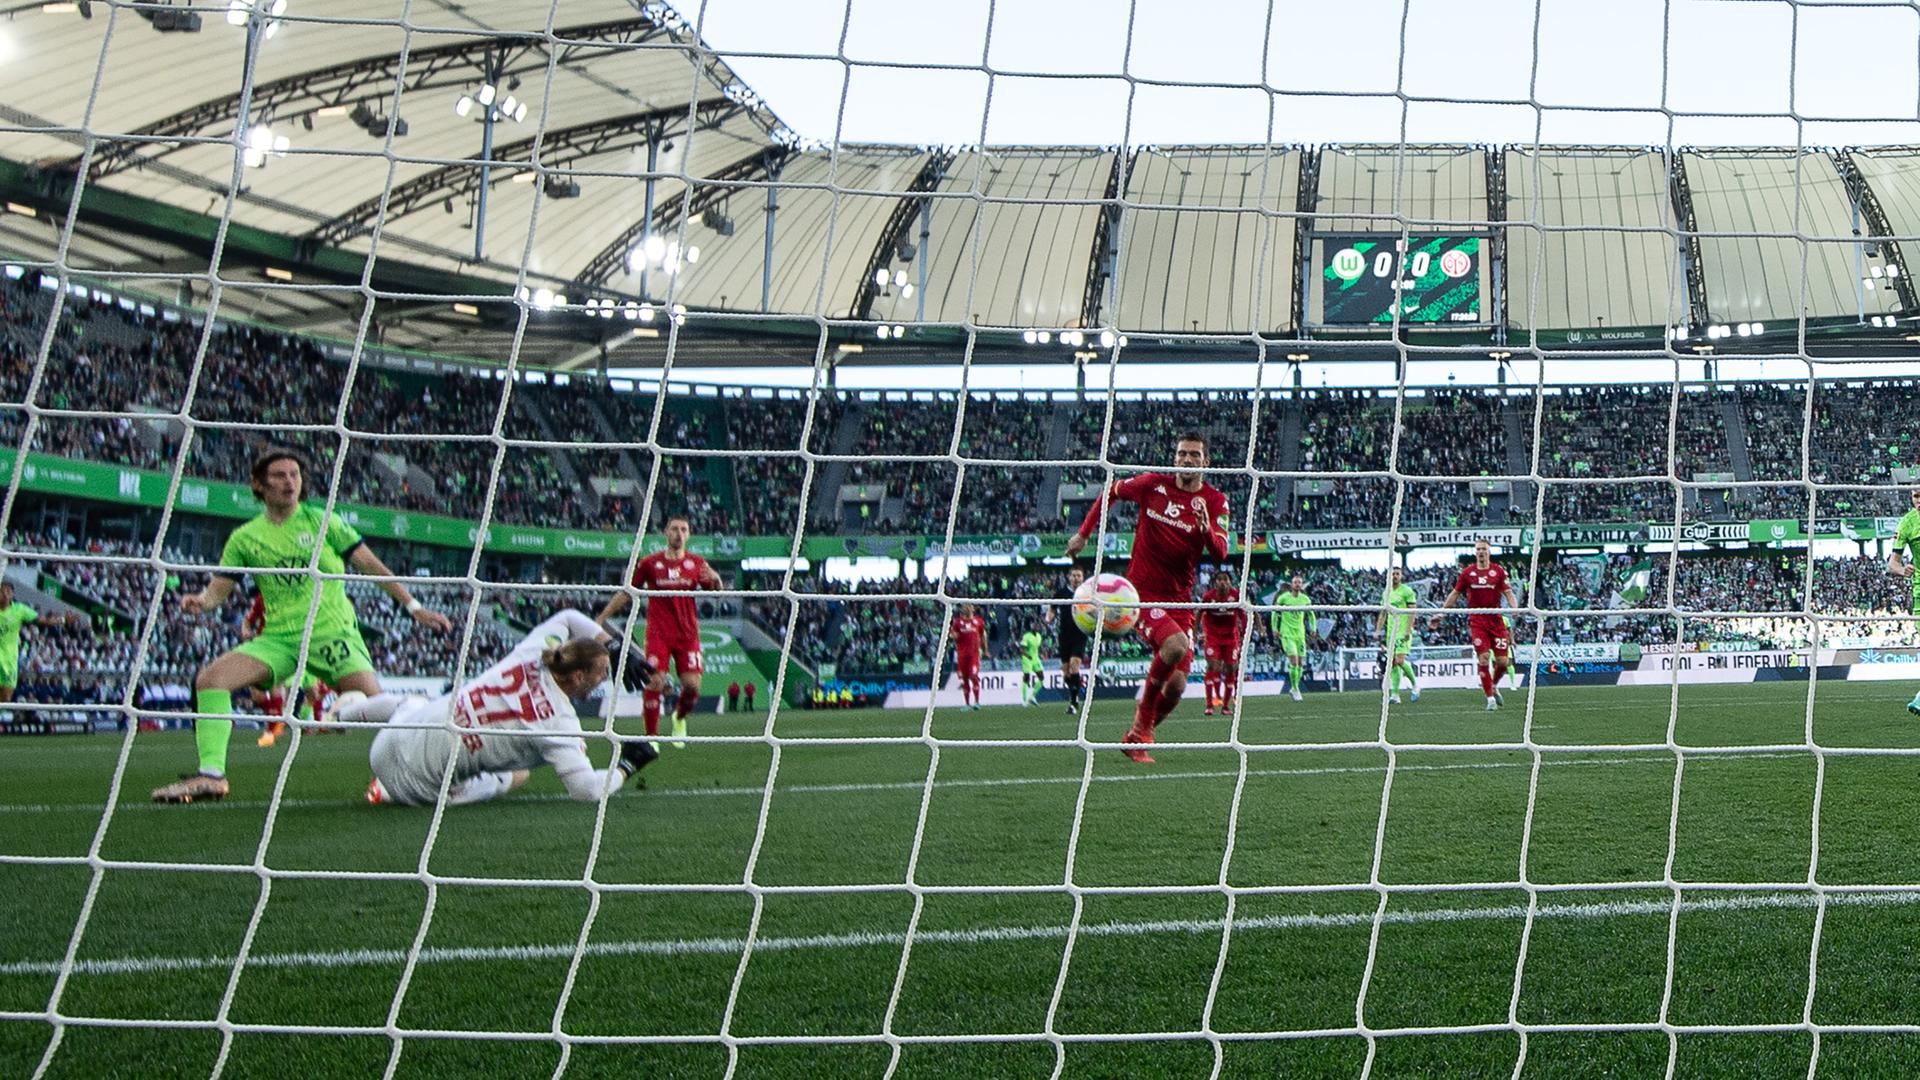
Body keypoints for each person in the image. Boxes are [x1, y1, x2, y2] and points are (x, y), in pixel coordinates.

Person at [154, 448, 451, 804]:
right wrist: (201, 602)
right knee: (211, 680)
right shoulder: (246, 537)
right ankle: (212, 776)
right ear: (259, 485)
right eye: (279, 475)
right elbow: (219, 591)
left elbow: (372, 565)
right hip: (280, 638)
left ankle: (434, 771)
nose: (289, 481)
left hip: (332, 632)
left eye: (294, 474)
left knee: (383, 709)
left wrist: (414, 607)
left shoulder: (322, 521)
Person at [356, 609, 661, 807]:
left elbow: (568, 617)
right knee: (518, 775)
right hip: (415, 789)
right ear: (579, 676)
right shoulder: (559, 725)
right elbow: (587, 790)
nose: (603, 681)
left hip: (383, 744)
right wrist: (627, 765)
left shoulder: (533, 653)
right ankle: (383, 790)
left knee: (412, 704)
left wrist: (614, 646)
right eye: (602, 675)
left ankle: (341, 715)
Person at [1064, 432, 1229, 763]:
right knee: (1176, 647)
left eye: (1195, 455)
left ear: (1206, 462)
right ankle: (1141, 727)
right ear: (1175, 458)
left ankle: (1135, 737)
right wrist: (1083, 534)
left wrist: (1205, 530)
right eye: (1182, 454)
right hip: (1139, 594)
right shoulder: (1153, 484)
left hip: (1180, 599)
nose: (1187, 460)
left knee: (1179, 686)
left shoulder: (1215, 501)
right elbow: (1110, 492)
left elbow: (1221, 553)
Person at [597, 515, 720, 749]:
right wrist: (602, 617)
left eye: (684, 529)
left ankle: (679, 718)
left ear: (689, 534)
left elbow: (715, 589)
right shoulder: (650, 563)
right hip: (658, 635)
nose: (679, 534)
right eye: (674, 529)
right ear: (666, 532)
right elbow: (627, 592)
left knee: (693, 687)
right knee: (654, 682)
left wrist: (717, 581)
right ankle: (651, 737)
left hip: (688, 635)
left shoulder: (697, 563)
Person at [1434, 538, 1518, 711]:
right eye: (1478, 549)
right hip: (1478, 621)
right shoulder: (1467, 573)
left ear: (1489, 552)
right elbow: (1455, 594)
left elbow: (1508, 592)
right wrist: (1441, 613)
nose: (1481, 552)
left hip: (1496, 621)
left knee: (1503, 662)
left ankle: (1493, 685)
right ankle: (1489, 698)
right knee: (1484, 658)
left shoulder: (1498, 571)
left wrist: (1515, 607)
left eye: (1484, 549)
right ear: (1475, 552)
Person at [1887, 489, 1920, 715]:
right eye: (1916, 496)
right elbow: (1893, 564)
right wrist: (1902, 570)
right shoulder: (1907, 522)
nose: (1919, 500)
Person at [1198, 570, 1247, 717]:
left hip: (1230, 638)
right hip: (1213, 637)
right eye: (1219, 580)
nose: (1222, 582)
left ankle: (1226, 706)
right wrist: (1195, 632)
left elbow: (1244, 614)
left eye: (1225, 579)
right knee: (1213, 665)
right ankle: (1210, 704)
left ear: (1230, 582)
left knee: (1231, 669)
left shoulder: (1236, 596)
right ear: (1215, 582)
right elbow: (1200, 612)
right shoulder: (1209, 597)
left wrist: (1245, 630)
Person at [1379, 567, 1422, 705]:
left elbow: (1412, 612)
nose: (1395, 576)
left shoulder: (1407, 591)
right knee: (1393, 663)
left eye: (1397, 574)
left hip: (1402, 631)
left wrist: (1408, 630)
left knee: (1398, 660)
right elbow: (1383, 613)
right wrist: (1378, 630)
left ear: (1401, 576)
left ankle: (1415, 685)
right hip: (1390, 633)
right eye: (1392, 574)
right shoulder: (1386, 593)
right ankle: (1395, 695)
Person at [1271, 574, 1313, 703]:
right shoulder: (1284, 598)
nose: (1297, 584)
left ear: (1302, 585)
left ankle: (1295, 688)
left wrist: (1313, 628)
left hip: (1300, 634)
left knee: (1300, 663)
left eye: (1299, 582)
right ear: (1291, 584)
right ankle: (1295, 688)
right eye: (1295, 582)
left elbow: (1311, 614)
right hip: (1287, 634)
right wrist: (1275, 628)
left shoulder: (1305, 599)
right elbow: (1274, 613)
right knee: (1294, 661)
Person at [1056, 566, 1090, 713]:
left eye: (1079, 576)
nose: (1076, 578)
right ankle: (1073, 695)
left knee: (1074, 665)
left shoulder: (1088, 593)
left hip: (1080, 634)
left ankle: (1074, 702)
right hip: (1064, 635)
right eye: (1074, 576)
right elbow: (1052, 608)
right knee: (1066, 672)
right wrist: (1048, 617)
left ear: (1082, 578)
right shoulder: (1061, 593)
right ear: (1068, 577)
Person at [949, 602, 986, 709]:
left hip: (974, 655)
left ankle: (977, 702)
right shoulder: (957, 622)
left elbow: (983, 635)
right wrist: (953, 636)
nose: (967, 608)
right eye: (965, 607)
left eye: (969, 606)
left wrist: (985, 649)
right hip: (962, 655)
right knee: (964, 679)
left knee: (973, 676)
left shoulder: (978, 621)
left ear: (973, 609)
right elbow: (953, 635)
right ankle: (966, 704)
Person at [1018, 621, 1045, 706]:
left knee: (1041, 677)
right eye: (1035, 626)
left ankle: (1032, 696)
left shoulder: (1039, 636)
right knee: (1027, 678)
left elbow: (1036, 648)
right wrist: (1027, 655)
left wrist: (1041, 654)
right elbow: (1021, 649)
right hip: (1027, 659)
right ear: (1032, 627)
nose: (1037, 627)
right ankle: (1024, 700)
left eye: (1038, 626)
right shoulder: (1027, 636)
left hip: (1035, 659)